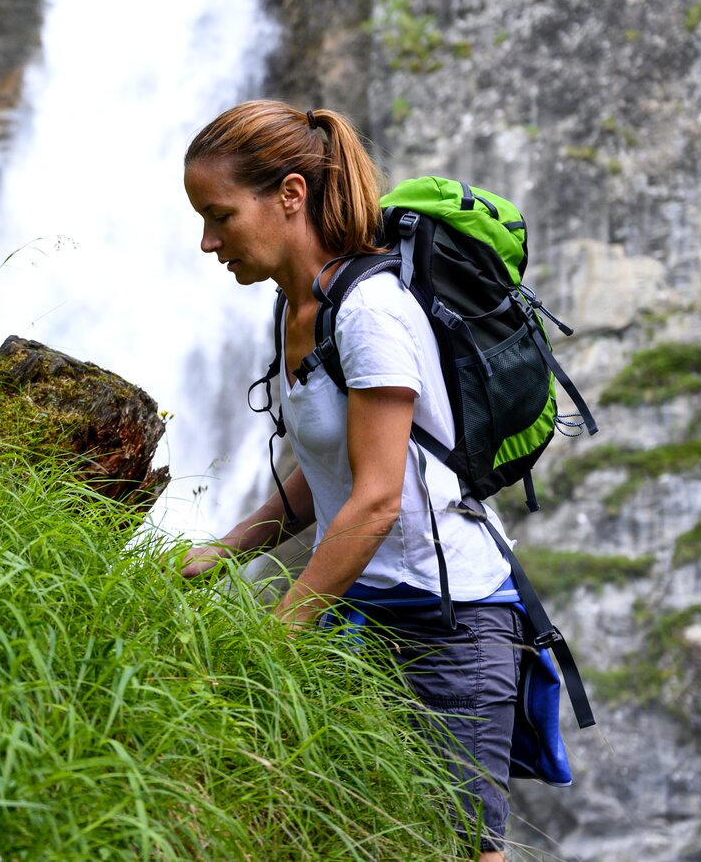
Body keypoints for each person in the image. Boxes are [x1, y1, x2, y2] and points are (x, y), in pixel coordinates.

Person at [179, 99, 523, 861]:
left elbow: (376, 500)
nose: (207, 241)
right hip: (366, 608)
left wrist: (280, 630)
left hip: (450, 623)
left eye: (220, 215)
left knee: (465, 849)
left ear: (290, 195)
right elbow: (329, 473)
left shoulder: (369, 310)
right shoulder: (300, 308)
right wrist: (228, 550)